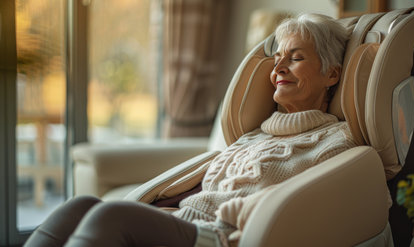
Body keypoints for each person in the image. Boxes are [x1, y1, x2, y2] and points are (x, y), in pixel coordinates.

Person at [24, 13, 353, 247]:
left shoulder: (336, 144)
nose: (278, 69)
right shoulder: (254, 135)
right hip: (187, 223)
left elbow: (304, 208)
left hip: (221, 237)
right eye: (278, 58)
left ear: (331, 75)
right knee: (79, 206)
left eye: (295, 59)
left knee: (111, 216)